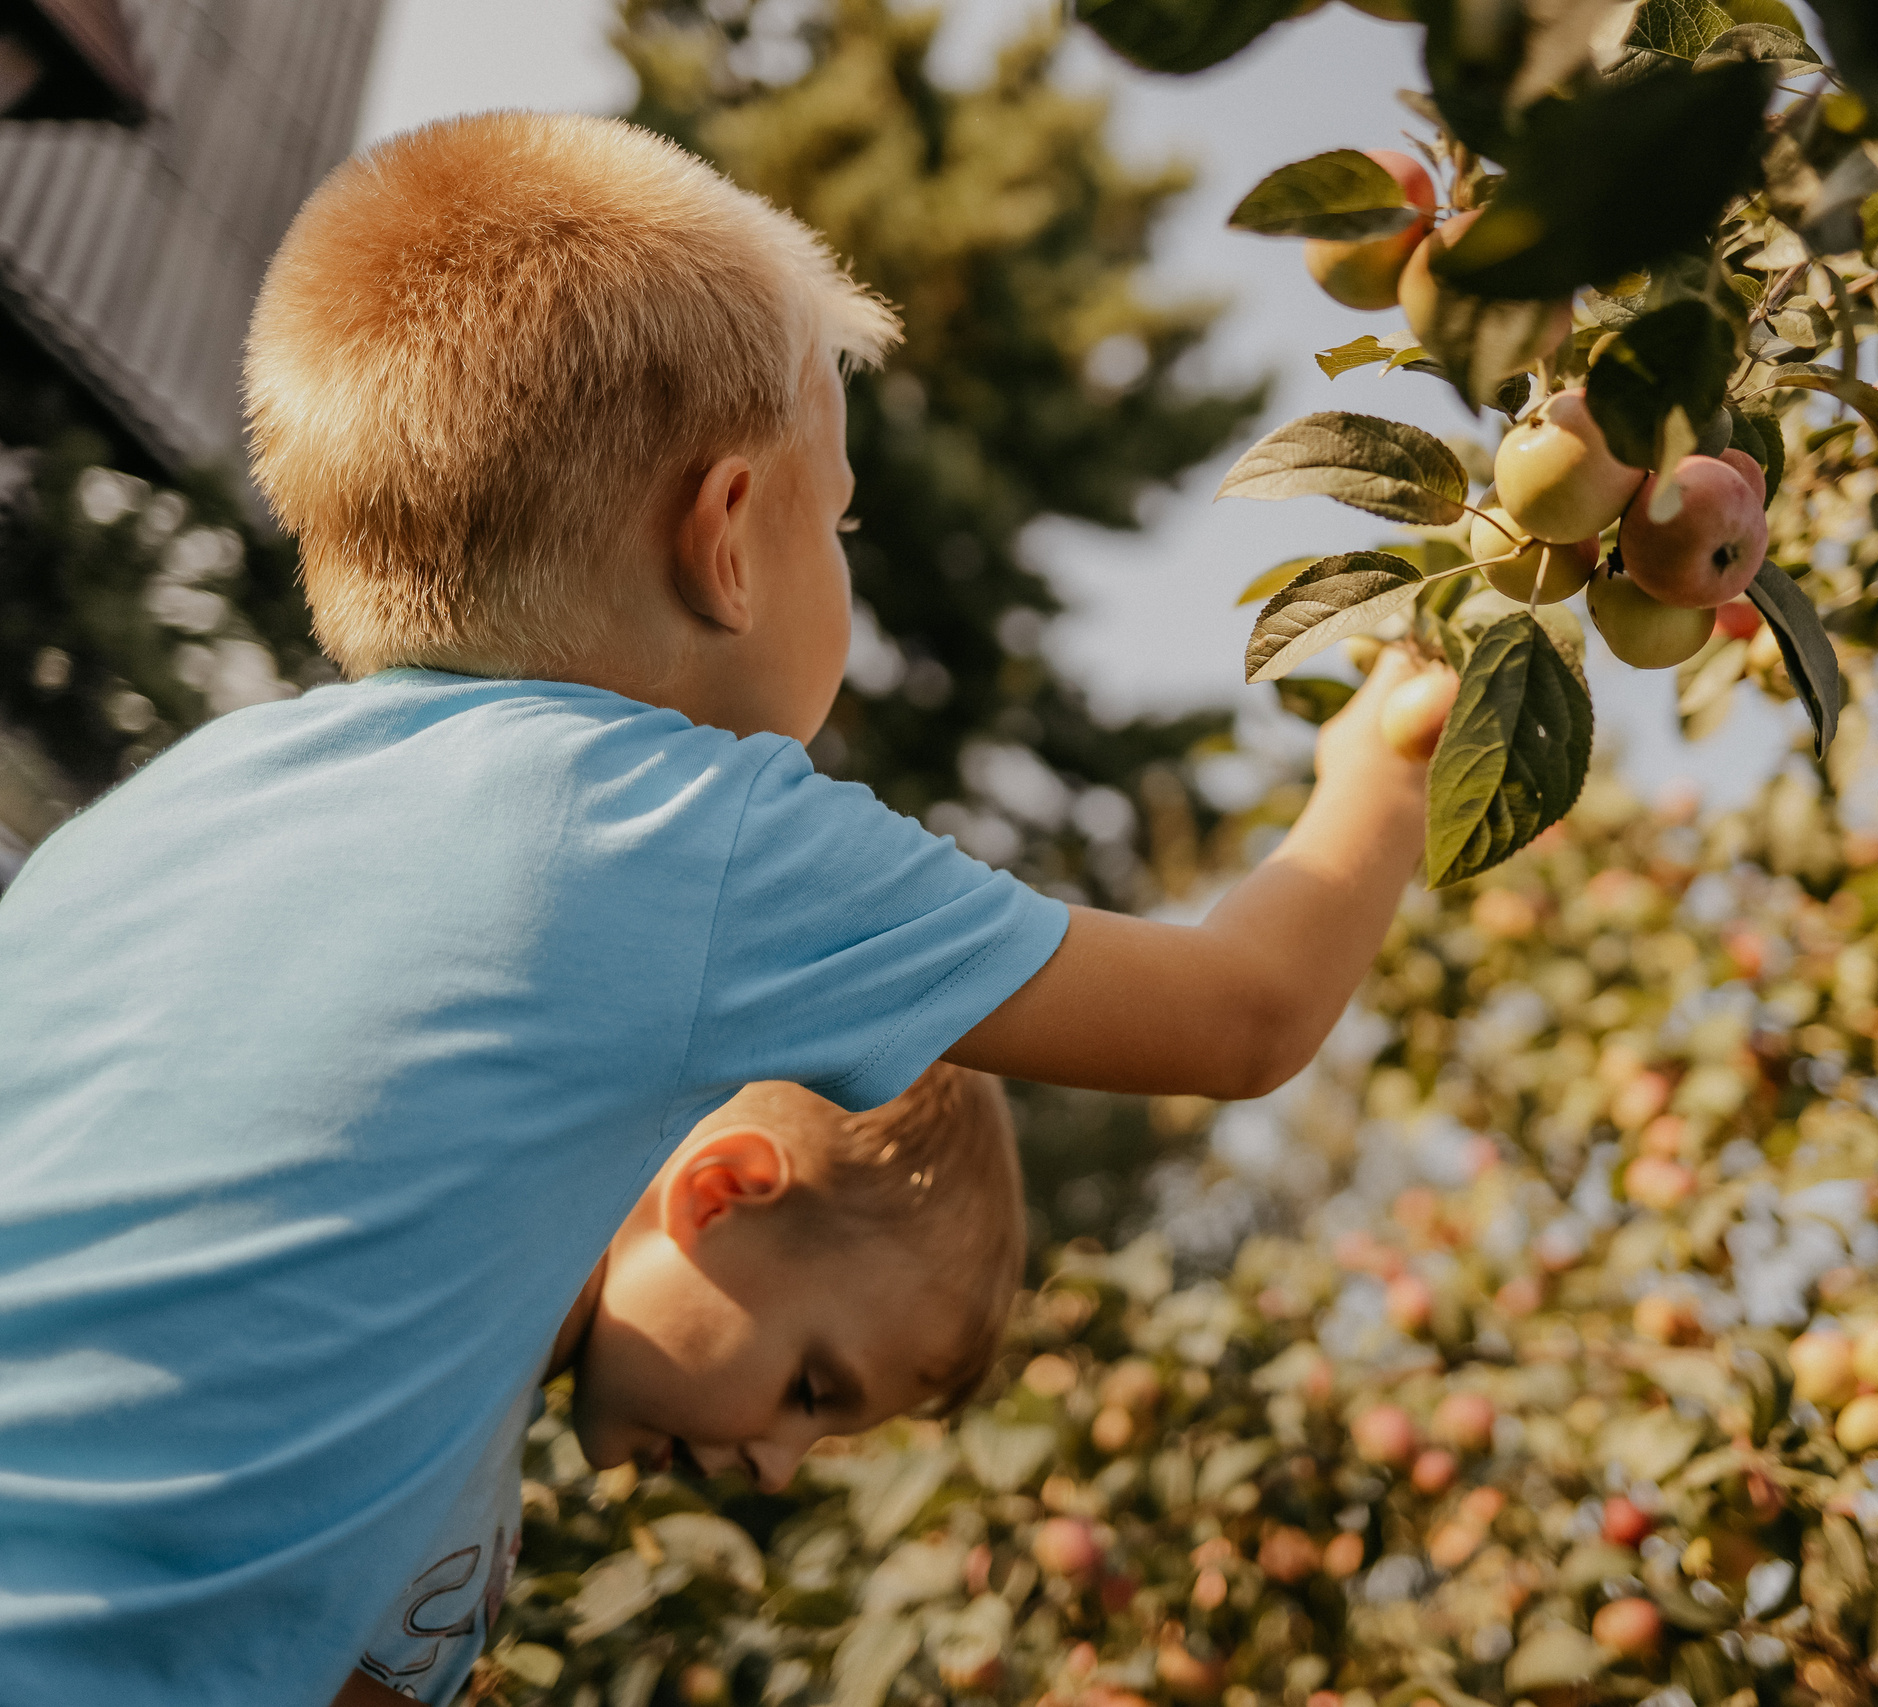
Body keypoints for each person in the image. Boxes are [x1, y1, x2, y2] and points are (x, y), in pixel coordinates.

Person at [0, 111, 1435, 1705]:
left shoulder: (181, 807)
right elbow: (1245, 1013)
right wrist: (1390, 752)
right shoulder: (671, 825)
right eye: (842, 524)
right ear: (728, 532)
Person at [344, 1070, 1021, 1705]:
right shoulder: (411, 1356)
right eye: (809, 1391)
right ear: (717, 1195)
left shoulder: (479, 1422)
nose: (777, 1471)